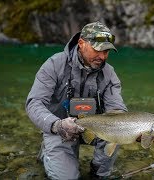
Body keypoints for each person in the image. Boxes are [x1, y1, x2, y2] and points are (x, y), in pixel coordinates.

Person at [25, 21, 128, 179]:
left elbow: (117, 110)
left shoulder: (109, 73)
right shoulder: (54, 65)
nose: (102, 56)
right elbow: (34, 103)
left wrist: (136, 129)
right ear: (81, 43)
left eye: (107, 51)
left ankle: (97, 173)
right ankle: (49, 148)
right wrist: (56, 125)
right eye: (98, 50)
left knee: (117, 131)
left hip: (95, 128)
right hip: (60, 129)